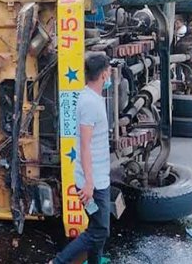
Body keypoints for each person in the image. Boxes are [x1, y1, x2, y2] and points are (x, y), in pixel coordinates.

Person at [50, 53, 112, 264]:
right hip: (93, 181)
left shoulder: (93, 98)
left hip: (99, 177)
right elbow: (85, 145)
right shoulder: (89, 103)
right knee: (99, 230)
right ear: (104, 74)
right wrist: (89, 183)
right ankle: (57, 262)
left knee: (98, 227)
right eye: (109, 71)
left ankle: (94, 262)